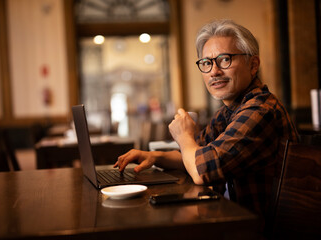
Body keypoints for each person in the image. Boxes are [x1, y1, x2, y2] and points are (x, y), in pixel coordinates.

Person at [114, 19, 298, 222]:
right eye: (207, 63)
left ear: (253, 65)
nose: (214, 71)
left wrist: (184, 136)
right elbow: (197, 156)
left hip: (258, 229)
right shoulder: (229, 111)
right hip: (232, 219)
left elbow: (202, 171)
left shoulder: (261, 110)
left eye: (225, 59)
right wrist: (155, 157)